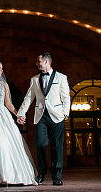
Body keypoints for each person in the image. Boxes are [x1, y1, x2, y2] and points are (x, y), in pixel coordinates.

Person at [17, 52, 71, 185]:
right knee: (40, 143)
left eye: (38, 61)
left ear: (46, 62)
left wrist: (65, 113)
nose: (37, 64)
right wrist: (21, 113)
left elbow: (66, 97)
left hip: (57, 116)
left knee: (56, 146)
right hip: (41, 115)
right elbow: (29, 97)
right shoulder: (35, 79)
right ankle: (41, 171)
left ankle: (57, 176)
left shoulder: (61, 77)